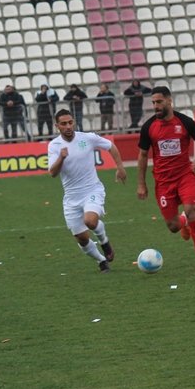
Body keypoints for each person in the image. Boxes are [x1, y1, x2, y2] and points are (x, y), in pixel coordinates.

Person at [136, 87, 195, 273]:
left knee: (191, 210)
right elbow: (143, 155)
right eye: (153, 102)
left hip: (185, 176)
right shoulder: (149, 127)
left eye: (159, 102)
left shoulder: (185, 122)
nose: (156, 106)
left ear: (169, 101)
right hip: (163, 182)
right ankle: (183, 222)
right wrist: (141, 183)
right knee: (173, 226)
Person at [48, 109, 127, 273]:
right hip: (71, 198)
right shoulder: (54, 145)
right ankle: (101, 260)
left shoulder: (87, 138)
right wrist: (61, 158)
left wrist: (120, 167)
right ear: (57, 126)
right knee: (81, 239)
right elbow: (53, 173)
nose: (68, 126)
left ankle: (105, 242)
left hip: (92, 190)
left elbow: (111, 146)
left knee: (90, 221)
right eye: (64, 124)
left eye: (70, 122)